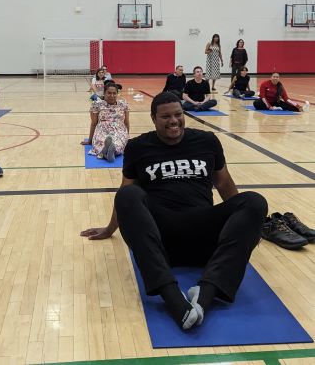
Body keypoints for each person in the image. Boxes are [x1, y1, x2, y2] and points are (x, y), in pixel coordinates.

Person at [80, 92, 267, 330]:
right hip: (161, 239)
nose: (174, 121)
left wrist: (247, 226)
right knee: (128, 195)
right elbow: (126, 194)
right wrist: (109, 229)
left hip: (204, 237)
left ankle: (206, 292)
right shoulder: (138, 147)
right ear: (153, 119)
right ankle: (171, 295)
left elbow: (224, 185)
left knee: (254, 201)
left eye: (178, 115)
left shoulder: (207, 141)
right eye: (166, 116)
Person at [81, 83, 130, 162]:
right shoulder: (97, 105)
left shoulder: (123, 104)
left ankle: (107, 152)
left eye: (114, 93)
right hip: (102, 130)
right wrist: (90, 140)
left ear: (117, 94)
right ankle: (108, 152)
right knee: (100, 141)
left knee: (119, 142)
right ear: (104, 93)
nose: (112, 95)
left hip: (119, 130)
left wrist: (127, 137)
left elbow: (127, 122)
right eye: (109, 93)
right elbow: (94, 123)